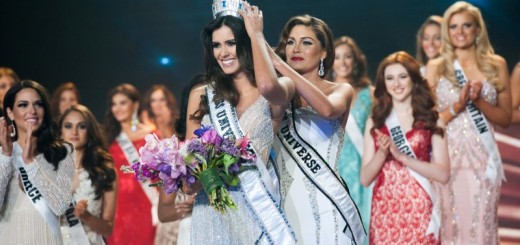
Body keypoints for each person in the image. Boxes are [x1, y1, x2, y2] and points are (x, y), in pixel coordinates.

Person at [183, 2, 296, 244]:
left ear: (245, 42)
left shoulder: (279, 87)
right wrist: (203, 172)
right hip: (212, 216)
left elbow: (267, 86)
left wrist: (256, 34)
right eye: (216, 45)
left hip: (259, 213)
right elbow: (189, 183)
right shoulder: (201, 95)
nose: (223, 53)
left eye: (231, 43)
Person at [270, 15, 365, 244]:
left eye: (306, 42)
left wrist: (280, 65)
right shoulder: (278, 96)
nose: (296, 48)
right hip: (286, 207)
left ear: (324, 52)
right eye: (290, 42)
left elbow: (327, 109)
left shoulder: (340, 89)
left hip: (327, 204)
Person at [425, 1, 512, 244]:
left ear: (477, 30)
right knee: (450, 226)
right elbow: (430, 120)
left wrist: (479, 102)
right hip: (446, 159)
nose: (460, 32)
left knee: (481, 224)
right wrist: (459, 104)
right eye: (453, 27)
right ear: (447, 32)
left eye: (466, 26)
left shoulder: (496, 64)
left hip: (484, 161)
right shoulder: (436, 66)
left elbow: (505, 118)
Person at [360, 51, 450, 244]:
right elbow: (365, 179)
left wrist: (403, 158)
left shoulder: (431, 119)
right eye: (390, 78)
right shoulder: (375, 121)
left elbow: (443, 174)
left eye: (403, 76)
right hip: (385, 210)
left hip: (420, 207)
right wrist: (383, 153)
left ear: (414, 79)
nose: (396, 84)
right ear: (383, 83)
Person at [0, 80, 74, 244]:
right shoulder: (2, 155)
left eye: (38, 104)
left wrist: (30, 162)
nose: (32, 111)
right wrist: (6, 156)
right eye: (23, 105)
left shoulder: (62, 152)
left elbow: (60, 206)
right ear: (10, 113)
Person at [330, 35, 374, 233]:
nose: (342, 62)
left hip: (362, 162)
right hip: (335, 163)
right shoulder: (322, 92)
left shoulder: (370, 93)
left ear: (355, 60)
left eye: (347, 57)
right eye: (337, 57)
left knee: (363, 219)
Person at [104, 83, 157, 245]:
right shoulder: (107, 137)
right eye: (114, 104)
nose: (117, 108)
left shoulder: (151, 134)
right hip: (117, 206)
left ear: (135, 104)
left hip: (146, 202)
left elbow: (160, 171)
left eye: (122, 103)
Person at [156, 74, 205, 245]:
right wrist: (187, 207)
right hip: (188, 229)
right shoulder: (175, 148)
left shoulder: (226, 142)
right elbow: (163, 211)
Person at [59, 104, 117, 244]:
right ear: (60, 131)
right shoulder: (48, 168)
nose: (74, 132)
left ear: (89, 131)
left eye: (81, 126)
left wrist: (86, 216)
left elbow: (107, 229)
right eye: (68, 126)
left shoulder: (105, 171)